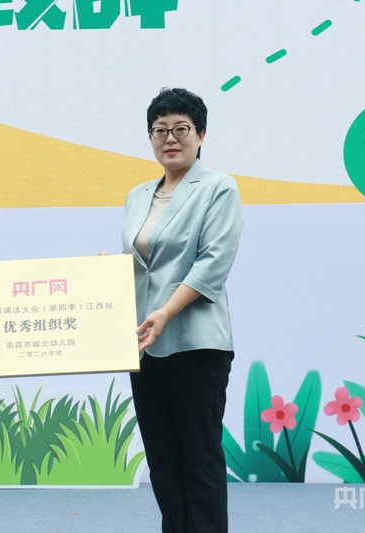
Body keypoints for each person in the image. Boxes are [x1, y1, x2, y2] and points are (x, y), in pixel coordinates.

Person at [122, 88, 243, 532]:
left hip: (196, 344)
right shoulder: (138, 195)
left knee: (200, 456)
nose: (169, 138)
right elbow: (141, 265)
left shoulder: (218, 187)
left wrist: (168, 311)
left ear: (201, 134)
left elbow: (213, 261)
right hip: (143, 343)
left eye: (180, 129)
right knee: (163, 457)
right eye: (160, 130)